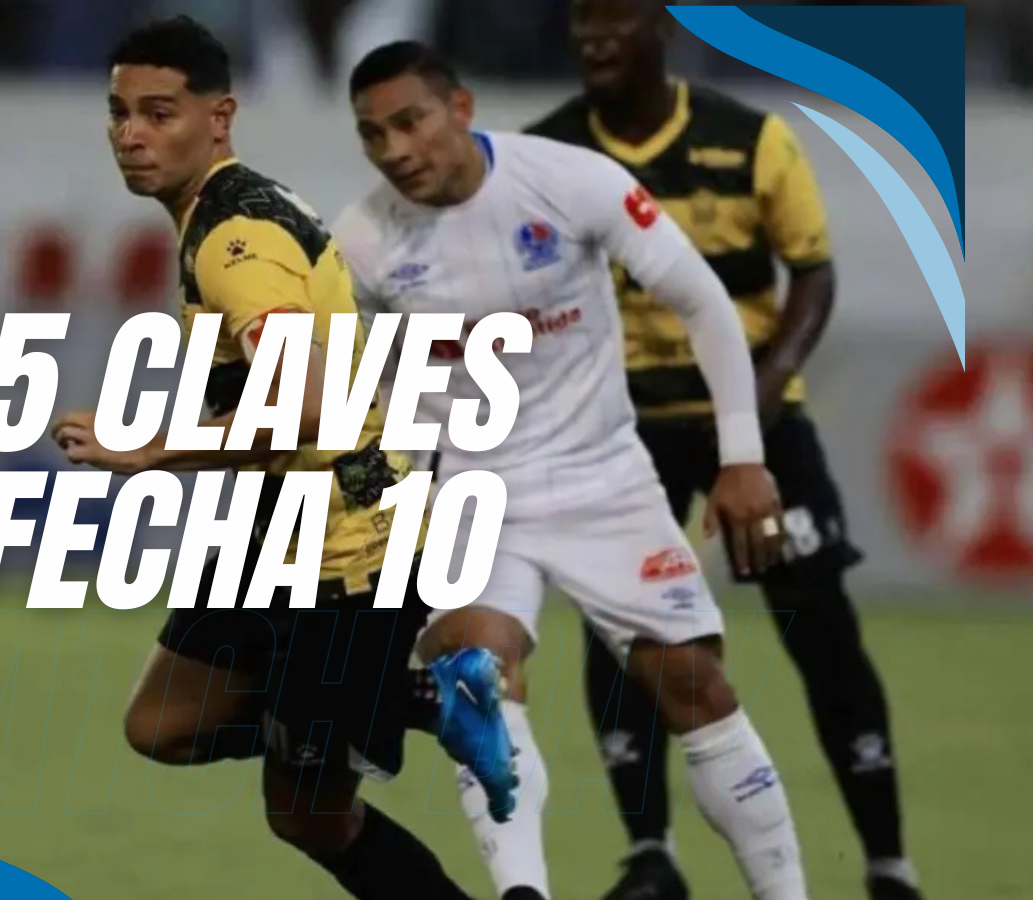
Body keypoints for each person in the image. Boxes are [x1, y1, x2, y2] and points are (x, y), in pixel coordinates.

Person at [334, 40, 815, 900]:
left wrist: (743, 457)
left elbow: (702, 301)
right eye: (374, 134)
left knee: (693, 687)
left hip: (602, 478)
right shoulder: (362, 242)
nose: (395, 149)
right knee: (478, 685)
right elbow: (340, 385)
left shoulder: (569, 181)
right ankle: (524, 894)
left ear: (461, 108)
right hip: (471, 493)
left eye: (410, 122)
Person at [49, 17, 516, 900]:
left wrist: (149, 449)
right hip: (276, 529)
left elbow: (303, 406)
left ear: (218, 117)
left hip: (351, 549)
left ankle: (400, 703)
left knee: (308, 815)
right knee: (161, 725)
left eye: (159, 113)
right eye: (120, 113)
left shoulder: (236, 241)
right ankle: (416, 701)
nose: (132, 134)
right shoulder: (229, 211)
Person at [524, 2, 927, 899]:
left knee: (817, 619)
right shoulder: (544, 156)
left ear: (661, 28)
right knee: (621, 627)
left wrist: (766, 384)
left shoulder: (752, 141)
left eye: (615, 18)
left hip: (753, 423)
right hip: (618, 429)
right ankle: (651, 855)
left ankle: (889, 866)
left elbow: (812, 272)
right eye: (582, 19)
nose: (594, 36)